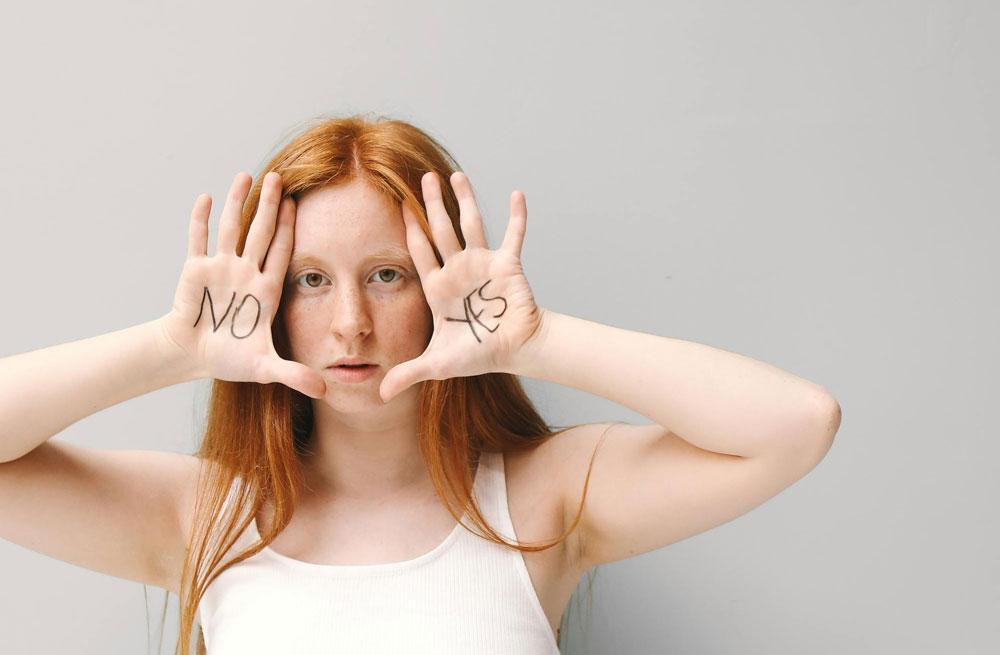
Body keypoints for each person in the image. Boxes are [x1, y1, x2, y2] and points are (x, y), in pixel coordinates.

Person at [0, 114, 842, 655]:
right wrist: (168, 350)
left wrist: (537, 342)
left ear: (441, 284)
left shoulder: (545, 499)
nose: (351, 325)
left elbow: (797, 423)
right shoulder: (204, 515)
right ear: (269, 297)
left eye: (389, 275)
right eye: (312, 281)